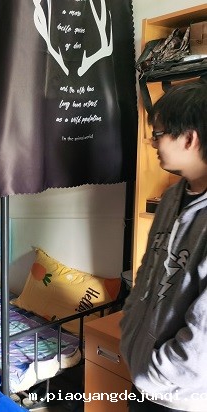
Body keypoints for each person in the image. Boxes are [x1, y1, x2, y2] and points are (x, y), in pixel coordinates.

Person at [120, 82, 207, 412]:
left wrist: (158, 371)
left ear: (189, 138)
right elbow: (147, 271)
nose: (152, 142)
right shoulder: (172, 196)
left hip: (183, 397)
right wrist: (130, 330)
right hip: (145, 379)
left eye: (158, 134)